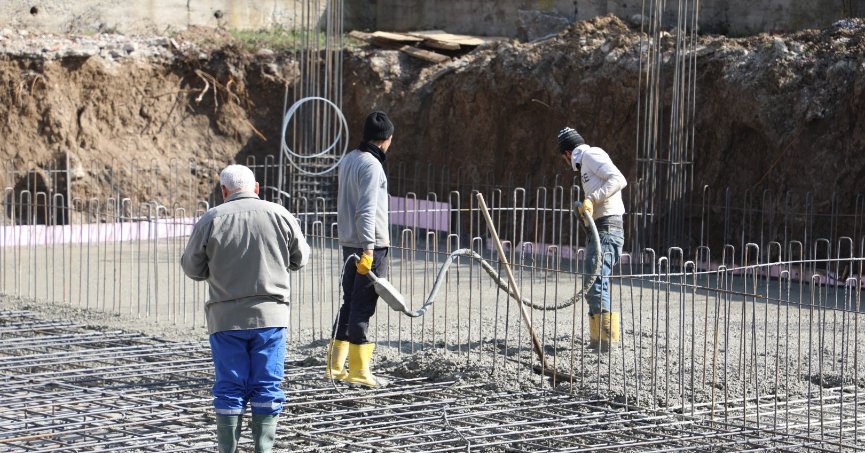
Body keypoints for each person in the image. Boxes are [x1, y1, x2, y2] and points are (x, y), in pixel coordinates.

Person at [181, 164, 310, 453]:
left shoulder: (211, 219)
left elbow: (192, 268)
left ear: (224, 191)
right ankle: (263, 449)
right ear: (257, 188)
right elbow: (300, 259)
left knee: (229, 388)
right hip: (271, 318)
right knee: (267, 386)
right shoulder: (280, 214)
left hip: (225, 321)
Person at [325, 111, 394, 388]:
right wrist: (369, 248)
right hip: (369, 245)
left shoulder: (349, 160)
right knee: (363, 305)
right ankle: (360, 371)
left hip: (349, 243)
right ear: (385, 139)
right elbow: (366, 210)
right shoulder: (372, 165)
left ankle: (335, 366)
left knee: (349, 302)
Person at [558, 127, 627, 351]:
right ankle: (598, 340)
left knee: (596, 282)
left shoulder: (591, 154)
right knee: (592, 283)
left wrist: (592, 199)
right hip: (599, 228)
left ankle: (607, 341)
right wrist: (586, 214)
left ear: (567, 153)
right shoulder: (585, 165)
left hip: (608, 228)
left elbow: (618, 179)